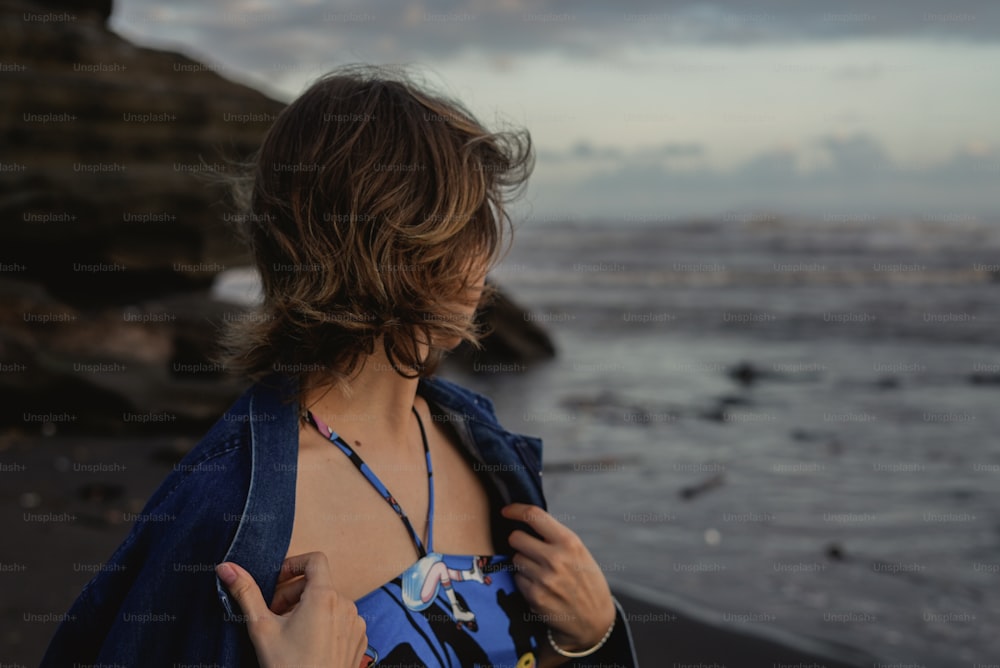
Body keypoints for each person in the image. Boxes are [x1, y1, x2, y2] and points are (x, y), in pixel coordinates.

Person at [41, 65, 638, 667]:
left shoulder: (488, 452)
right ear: (398, 253)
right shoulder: (228, 512)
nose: (490, 257)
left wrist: (592, 637)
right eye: (471, 225)